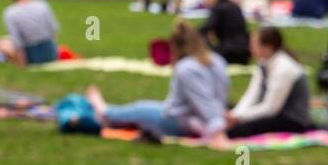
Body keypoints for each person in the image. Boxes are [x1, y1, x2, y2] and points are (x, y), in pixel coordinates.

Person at [84, 21, 229, 139]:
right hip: (196, 116)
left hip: (176, 121)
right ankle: (107, 110)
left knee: (140, 109)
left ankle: (104, 110)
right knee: (144, 108)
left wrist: (217, 128)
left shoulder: (186, 68)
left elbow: (202, 101)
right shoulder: (217, 61)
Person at [221, 27, 311, 138]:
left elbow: (271, 108)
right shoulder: (263, 63)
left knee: (236, 131)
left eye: (254, 44)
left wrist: (239, 118)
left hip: (291, 119)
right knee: (225, 108)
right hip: (274, 113)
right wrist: (234, 115)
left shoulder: (284, 68)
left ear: (267, 47)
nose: (250, 48)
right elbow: (252, 95)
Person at [1, 0, 59, 64]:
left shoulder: (10, 12)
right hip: (49, 50)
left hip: (31, 54)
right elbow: (53, 29)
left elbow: (17, 41)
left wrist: (22, 62)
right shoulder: (42, 4)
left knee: (3, 42)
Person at [199, 0, 249, 64]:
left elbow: (206, 28)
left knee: (202, 39)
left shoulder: (218, 8)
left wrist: (189, 33)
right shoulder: (234, 6)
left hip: (228, 52)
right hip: (245, 53)